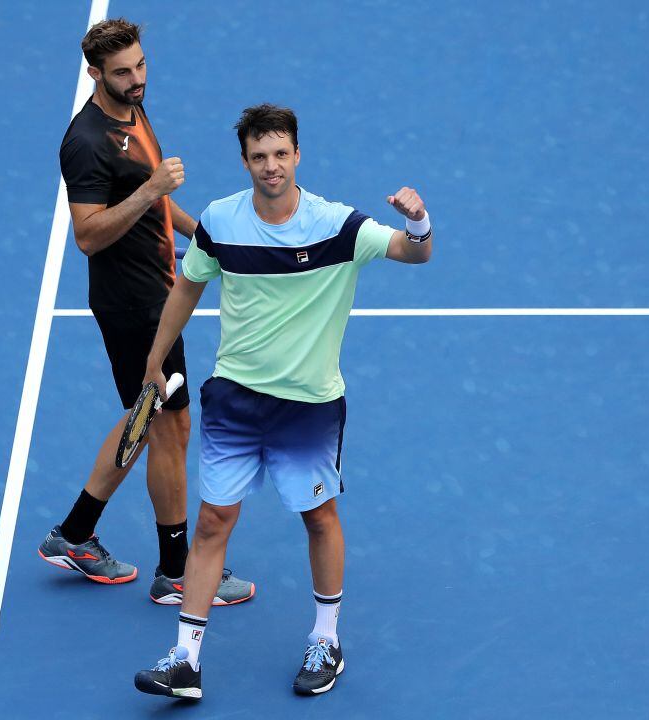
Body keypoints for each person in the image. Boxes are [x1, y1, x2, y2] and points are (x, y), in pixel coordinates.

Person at [133, 104, 433, 699]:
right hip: (236, 400)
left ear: (297, 155)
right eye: (258, 156)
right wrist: (155, 355)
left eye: (280, 154)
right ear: (245, 161)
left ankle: (327, 639)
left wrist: (421, 222)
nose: (271, 166)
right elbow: (189, 285)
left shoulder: (339, 226)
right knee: (215, 519)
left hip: (308, 407)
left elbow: (413, 252)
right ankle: (185, 660)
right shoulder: (220, 221)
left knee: (318, 517)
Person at [37, 18, 253, 607]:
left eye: (140, 66)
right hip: (135, 306)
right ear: (94, 75)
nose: (136, 80)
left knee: (150, 414)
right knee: (170, 425)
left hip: (157, 289)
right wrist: (150, 188)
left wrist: (210, 239)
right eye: (122, 73)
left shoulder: (133, 110)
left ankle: (75, 533)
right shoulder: (84, 142)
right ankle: (176, 570)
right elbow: (87, 235)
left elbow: (156, 202)